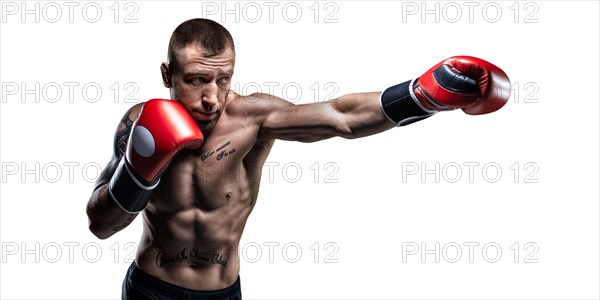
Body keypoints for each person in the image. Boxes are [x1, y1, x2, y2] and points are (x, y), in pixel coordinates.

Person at [86, 18, 510, 299]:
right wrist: (137, 173)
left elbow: (341, 117)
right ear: (167, 75)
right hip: (151, 289)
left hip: (222, 291)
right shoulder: (138, 122)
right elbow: (100, 224)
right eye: (196, 80)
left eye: (223, 78)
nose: (212, 97)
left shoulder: (253, 117)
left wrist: (421, 95)